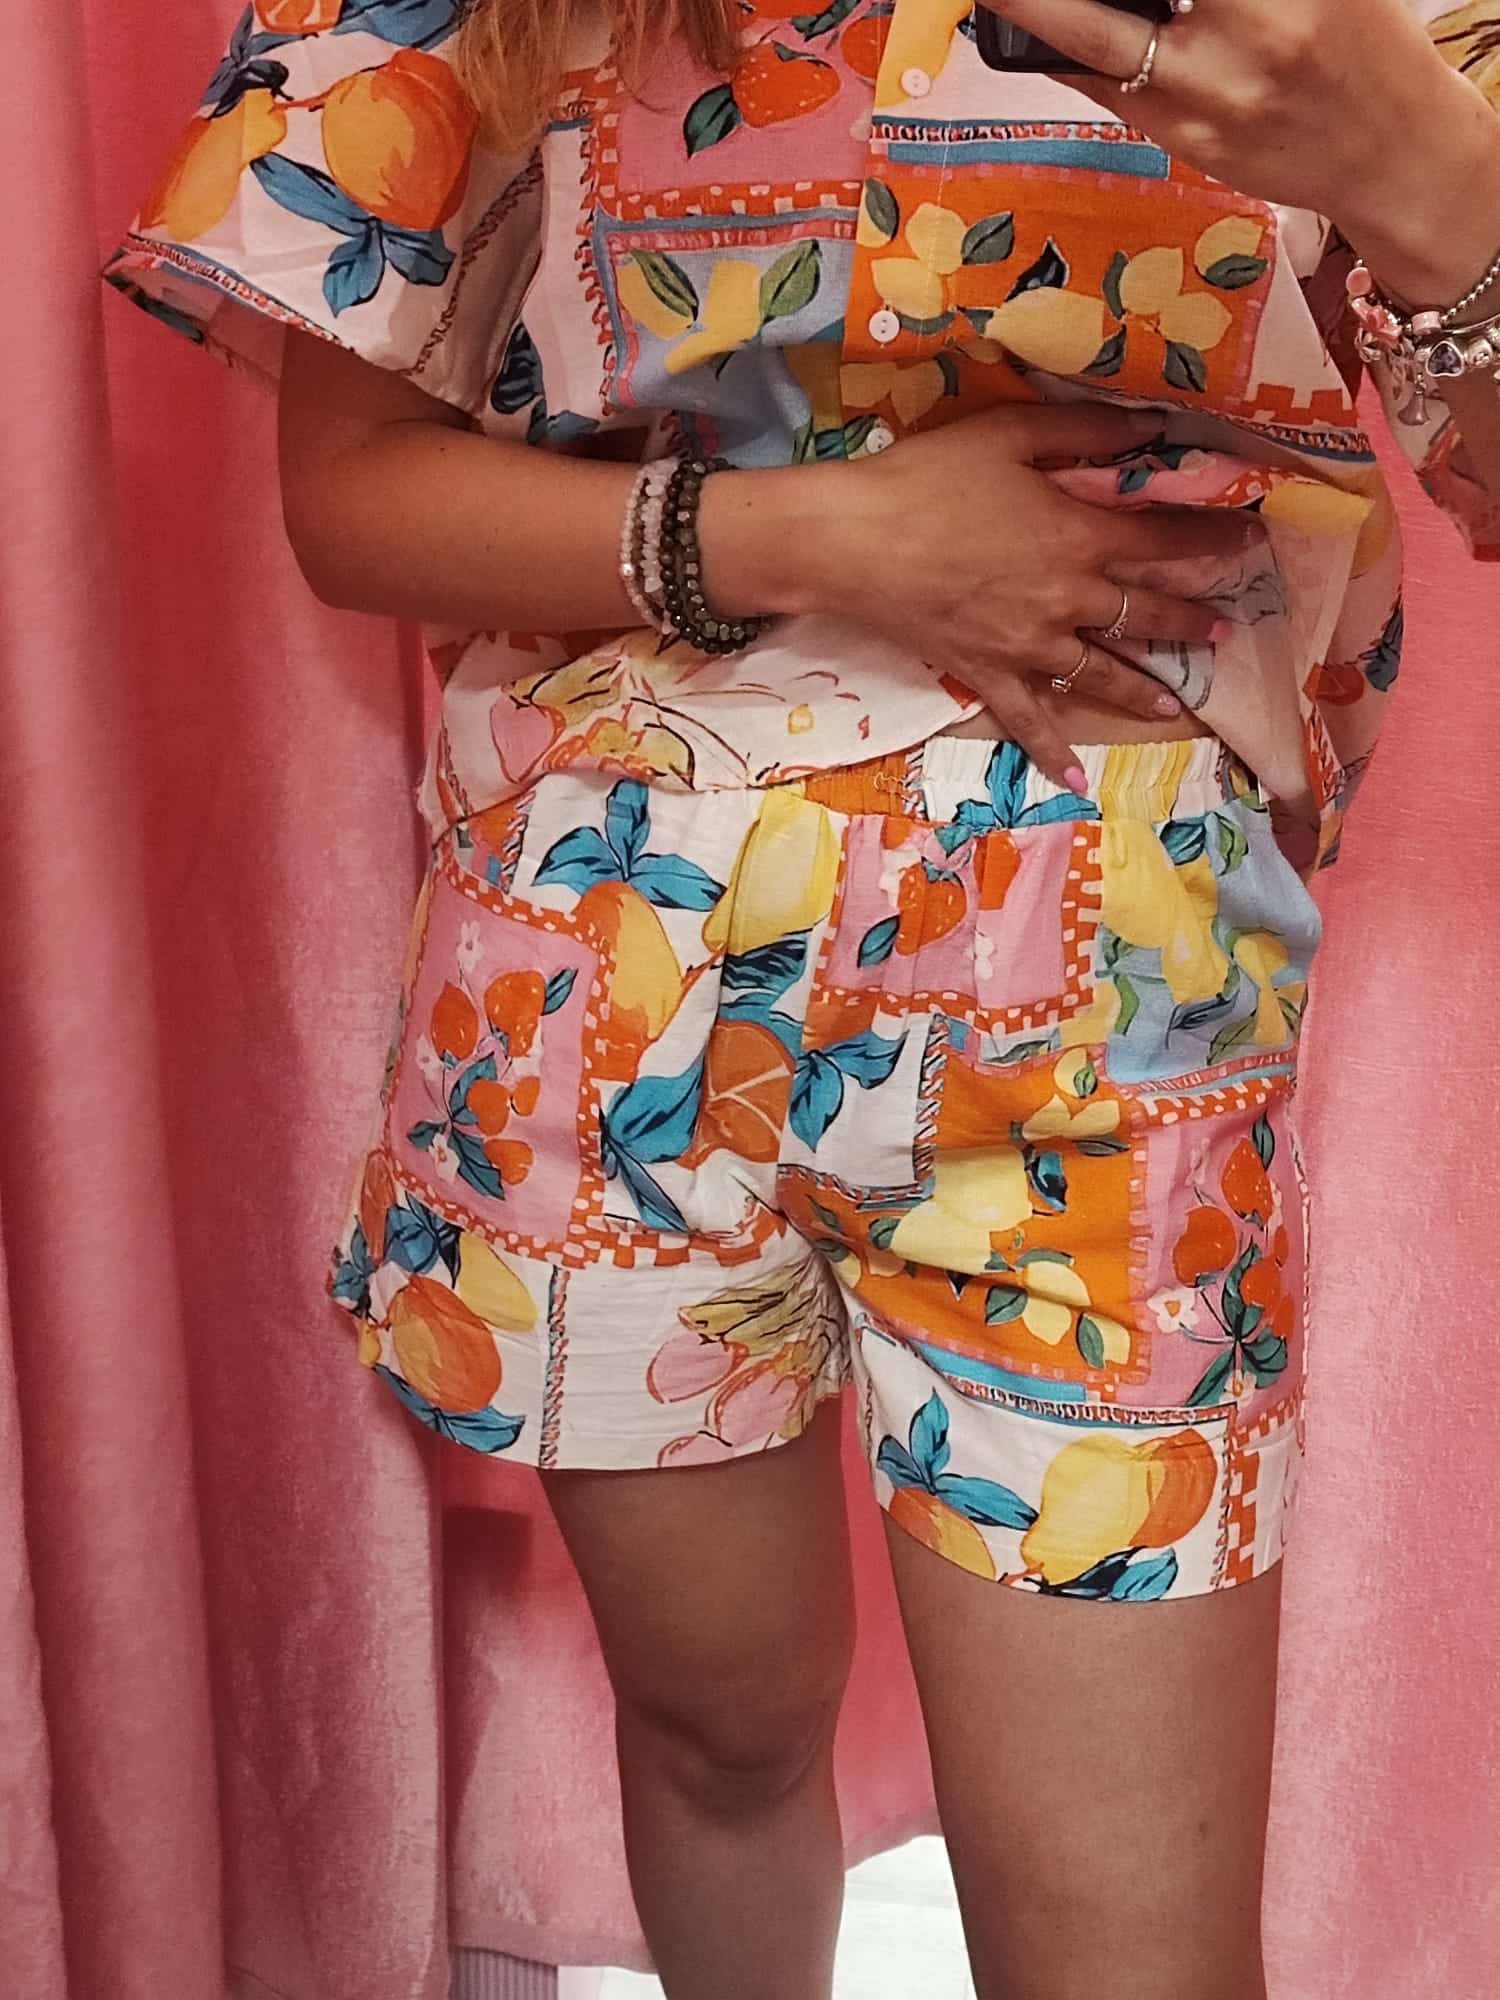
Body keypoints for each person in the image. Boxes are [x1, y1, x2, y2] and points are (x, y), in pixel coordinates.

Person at [105, 2, 1500, 1994]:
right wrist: (817, 534)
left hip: (1115, 1033)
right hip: (595, 996)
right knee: (719, 1733)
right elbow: (352, 499)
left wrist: (1441, 189)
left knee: (1132, 1954)